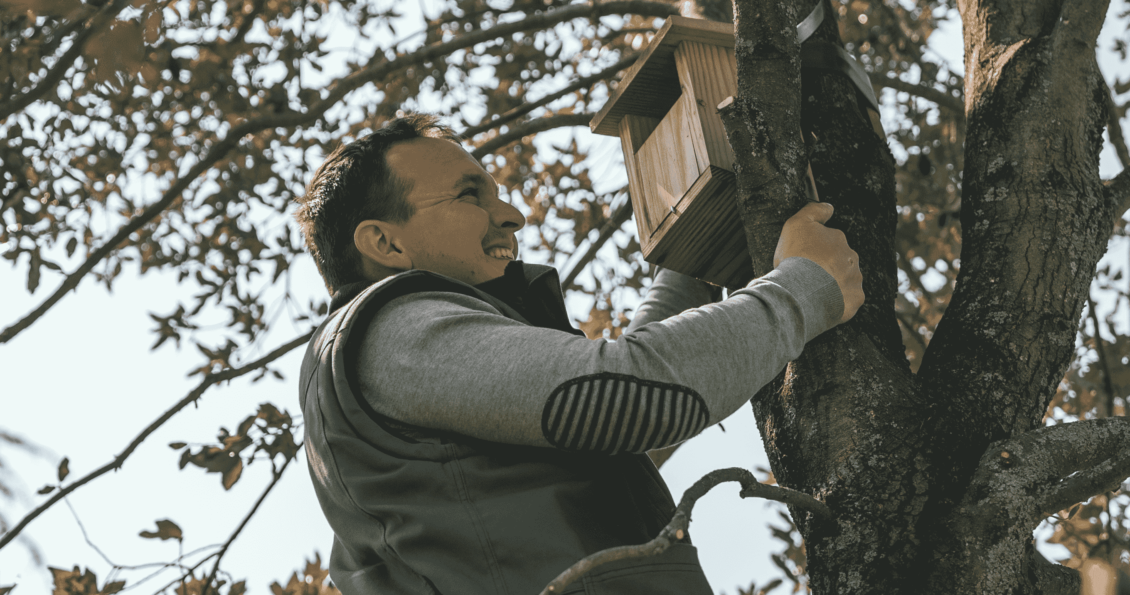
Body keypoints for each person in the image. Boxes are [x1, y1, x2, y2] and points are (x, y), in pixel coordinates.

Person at [293, 114, 863, 595]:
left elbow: (612, 422)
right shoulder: (388, 330)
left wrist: (691, 258)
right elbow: (620, 396)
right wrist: (803, 290)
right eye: (470, 195)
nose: (512, 215)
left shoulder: (406, 350)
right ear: (385, 243)